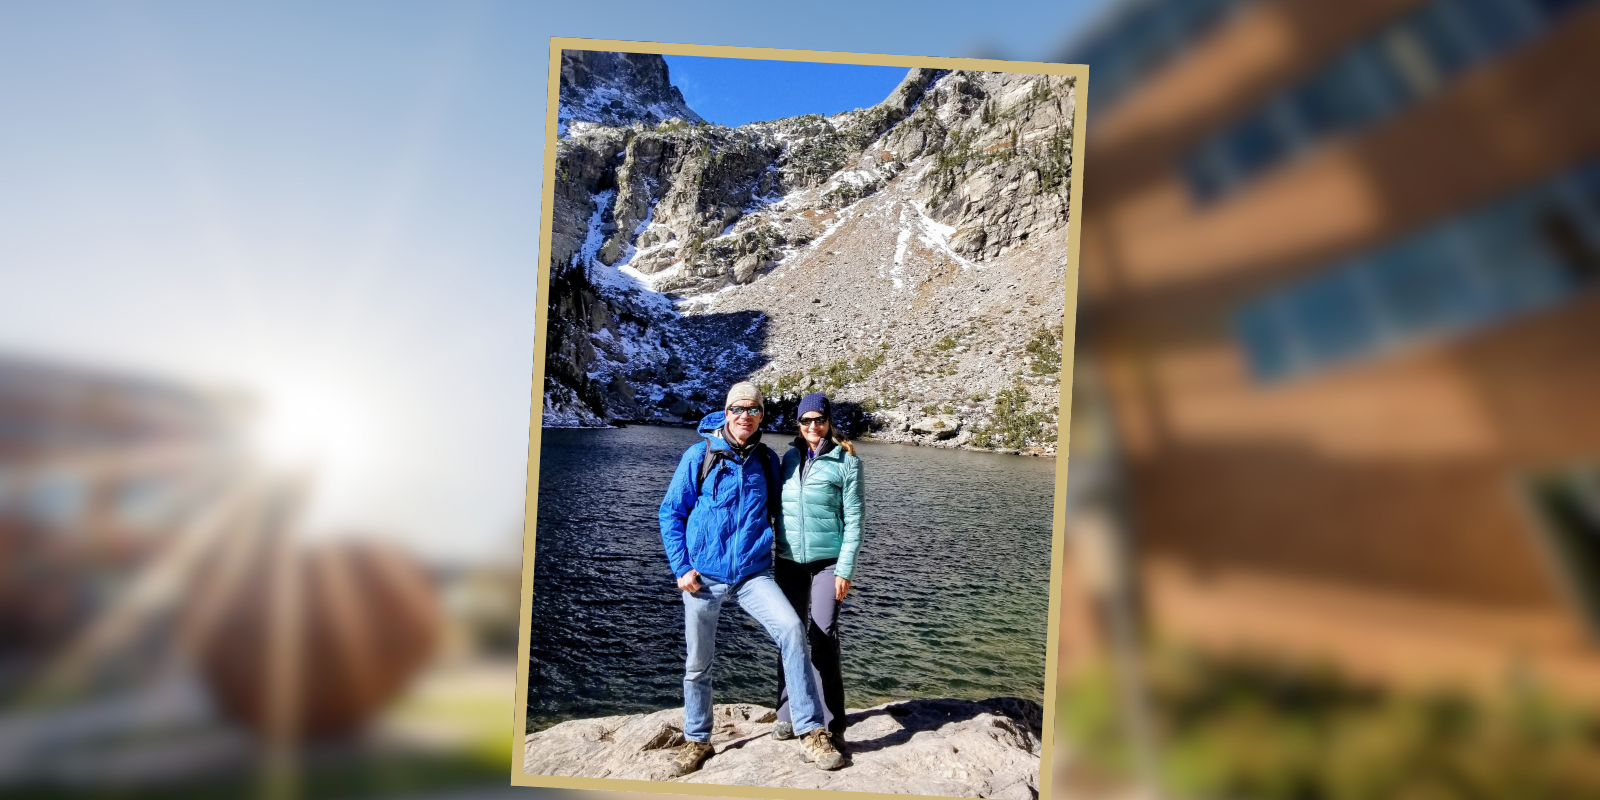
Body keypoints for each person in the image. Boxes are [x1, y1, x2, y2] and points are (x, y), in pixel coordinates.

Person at [658, 382, 845, 777]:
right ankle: (697, 739)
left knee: (793, 630)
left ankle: (810, 730)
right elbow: (671, 513)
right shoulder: (700, 455)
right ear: (726, 413)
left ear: (762, 416)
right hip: (702, 578)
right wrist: (681, 567)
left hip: (751, 575)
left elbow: (785, 510)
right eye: (739, 409)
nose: (746, 415)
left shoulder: (766, 461)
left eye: (754, 410)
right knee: (698, 663)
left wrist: (825, 553)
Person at [770, 392, 864, 750]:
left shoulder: (847, 461)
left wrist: (846, 568)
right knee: (789, 634)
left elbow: (855, 520)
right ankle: (786, 711)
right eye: (806, 420)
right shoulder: (789, 457)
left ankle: (833, 720)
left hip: (828, 562)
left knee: (823, 636)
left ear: (829, 422)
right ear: (798, 423)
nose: (813, 426)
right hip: (789, 560)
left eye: (819, 420)